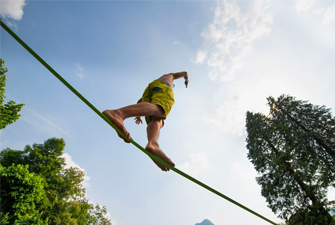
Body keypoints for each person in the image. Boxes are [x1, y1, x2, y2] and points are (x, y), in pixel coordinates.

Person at [103, 71, 189, 172]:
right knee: (161, 109)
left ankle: (153, 144)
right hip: (162, 87)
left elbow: (141, 101)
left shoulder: (156, 84)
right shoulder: (169, 77)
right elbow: (184, 73)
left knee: (157, 118)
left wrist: (139, 115)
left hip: (149, 91)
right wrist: (186, 78)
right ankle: (118, 114)